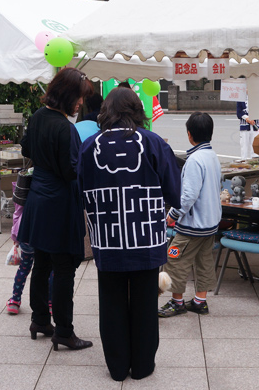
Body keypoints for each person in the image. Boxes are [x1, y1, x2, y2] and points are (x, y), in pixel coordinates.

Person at [78, 87, 181, 381]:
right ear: (136, 109)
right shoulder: (153, 142)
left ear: (105, 112)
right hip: (145, 238)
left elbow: (81, 192)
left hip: (107, 238)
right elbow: (175, 193)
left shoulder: (90, 146)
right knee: (145, 303)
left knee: (111, 303)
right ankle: (143, 366)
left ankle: (117, 367)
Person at [17, 67, 93, 350]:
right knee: (64, 270)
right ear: (68, 95)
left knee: (41, 262)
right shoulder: (66, 128)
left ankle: (40, 319)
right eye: (79, 97)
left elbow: (26, 150)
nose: (81, 103)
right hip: (59, 203)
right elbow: (71, 171)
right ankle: (64, 330)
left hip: (38, 198)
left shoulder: (38, 117)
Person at [158, 112, 221, 318]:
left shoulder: (194, 160)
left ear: (189, 134)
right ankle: (200, 301)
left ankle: (177, 302)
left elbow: (188, 196)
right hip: (210, 223)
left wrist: (173, 214)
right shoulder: (212, 156)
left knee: (174, 258)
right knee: (204, 261)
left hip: (193, 224)